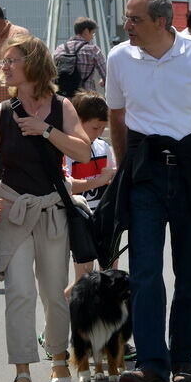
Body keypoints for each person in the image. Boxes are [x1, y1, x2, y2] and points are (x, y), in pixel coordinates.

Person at [106, 0, 191, 382]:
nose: (127, 26)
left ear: (162, 21)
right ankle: (151, 364)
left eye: (134, 18)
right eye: (127, 17)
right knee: (144, 273)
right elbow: (117, 117)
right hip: (145, 175)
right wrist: (126, 172)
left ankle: (183, 359)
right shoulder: (119, 56)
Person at [0, 34, 91, 382]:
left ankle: (59, 357)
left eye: (11, 61)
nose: (4, 67)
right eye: (3, 62)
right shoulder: (1, 113)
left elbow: (83, 152)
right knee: (19, 292)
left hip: (51, 208)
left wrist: (45, 130)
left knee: (54, 292)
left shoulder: (62, 107)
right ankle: (22, 369)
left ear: (33, 63)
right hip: (13, 209)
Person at [65, 90, 117, 282]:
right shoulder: (68, 149)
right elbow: (67, 186)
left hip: (105, 219)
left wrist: (113, 176)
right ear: (78, 121)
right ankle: (71, 307)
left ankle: (105, 312)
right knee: (84, 279)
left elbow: (111, 178)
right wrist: (98, 181)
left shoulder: (103, 147)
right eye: (95, 128)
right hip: (81, 221)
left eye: (103, 128)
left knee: (109, 275)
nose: (99, 133)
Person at [53, 17, 107, 93]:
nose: (92, 37)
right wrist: (103, 81)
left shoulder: (59, 49)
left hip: (64, 98)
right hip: (85, 99)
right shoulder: (93, 50)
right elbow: (107, 76)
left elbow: (52, 75)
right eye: (92, 33)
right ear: (86, 31)